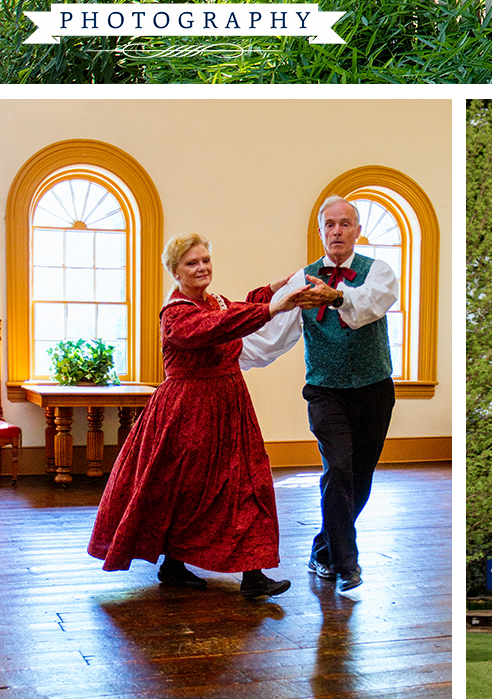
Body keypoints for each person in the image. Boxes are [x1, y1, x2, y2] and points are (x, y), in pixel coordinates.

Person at [88, 233, 333, 597]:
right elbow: (217, 327)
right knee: (185, 491)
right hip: (188, 412)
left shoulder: (213, 301)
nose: (201, 267)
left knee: (247, 485)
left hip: (230, 404)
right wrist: (275, 307)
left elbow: (233, 309)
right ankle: (174, 564)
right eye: (191, 263)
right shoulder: (176, 313)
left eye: (205, 260)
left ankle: (253, 574)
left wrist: (273, 289)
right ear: (175, 271)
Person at [240, 198, 398, 591]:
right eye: (330, 225)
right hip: (326, 391)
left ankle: (323, 550)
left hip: (374, 389)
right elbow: (273, 336)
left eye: (345, 224)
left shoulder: (376, 272)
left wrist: (337, 297)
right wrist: (226, 352)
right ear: (321, 232)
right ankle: (348, 564)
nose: (338, 231)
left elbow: (372, 305)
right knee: (338, 469)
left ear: (357, 231)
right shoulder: (305, 280)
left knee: (359, 479)